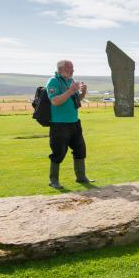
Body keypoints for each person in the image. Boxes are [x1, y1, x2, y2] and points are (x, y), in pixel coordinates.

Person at [46, 59, 92, 189]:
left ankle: (81, 177)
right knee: (58, 152)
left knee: (80, 150)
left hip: (74, 122)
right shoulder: (53, 81)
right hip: (59, 124)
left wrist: (83, 92)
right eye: (69, 69)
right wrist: (70, 91)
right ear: (60, 69)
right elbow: (55, 101)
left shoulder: (70, 81)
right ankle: (53, 180)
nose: (72, 71)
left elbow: (76, 100)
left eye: (73, 69)